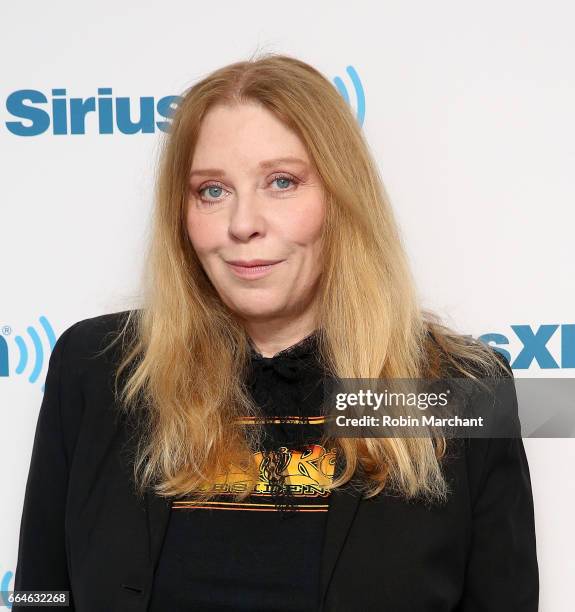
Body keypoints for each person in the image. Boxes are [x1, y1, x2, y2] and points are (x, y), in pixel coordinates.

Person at [13, 53, 538, 611]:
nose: (243, 224)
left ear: (340, 198)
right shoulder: (96, 369)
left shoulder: (455, 390)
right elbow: (41, 593)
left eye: (281, 182)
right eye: (212, 190)